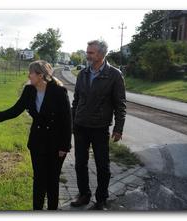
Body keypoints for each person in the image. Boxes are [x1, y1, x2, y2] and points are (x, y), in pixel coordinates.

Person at [0, 60, 72, 210]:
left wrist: (64, 146)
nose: (29, 75)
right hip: (37, 142)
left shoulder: (59, 91)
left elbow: (67, 121)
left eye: (31, 73)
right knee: (39, 180)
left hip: (56, 144)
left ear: (40, 75)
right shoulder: (29, 90)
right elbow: (15, 110)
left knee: (52, 181)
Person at [70, 40, 126, 210]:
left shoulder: (114, 75)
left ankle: (101, 198)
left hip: (100, 127)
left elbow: (120, 104)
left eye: (91, 53)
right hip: (80, 126)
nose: (87, 55)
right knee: (80, 163)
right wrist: (73, 121)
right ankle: (84, 194)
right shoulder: (83, 73)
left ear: (102, 55)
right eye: (87, 52)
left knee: (103, 166)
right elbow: (76, 100)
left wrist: (118, 128)